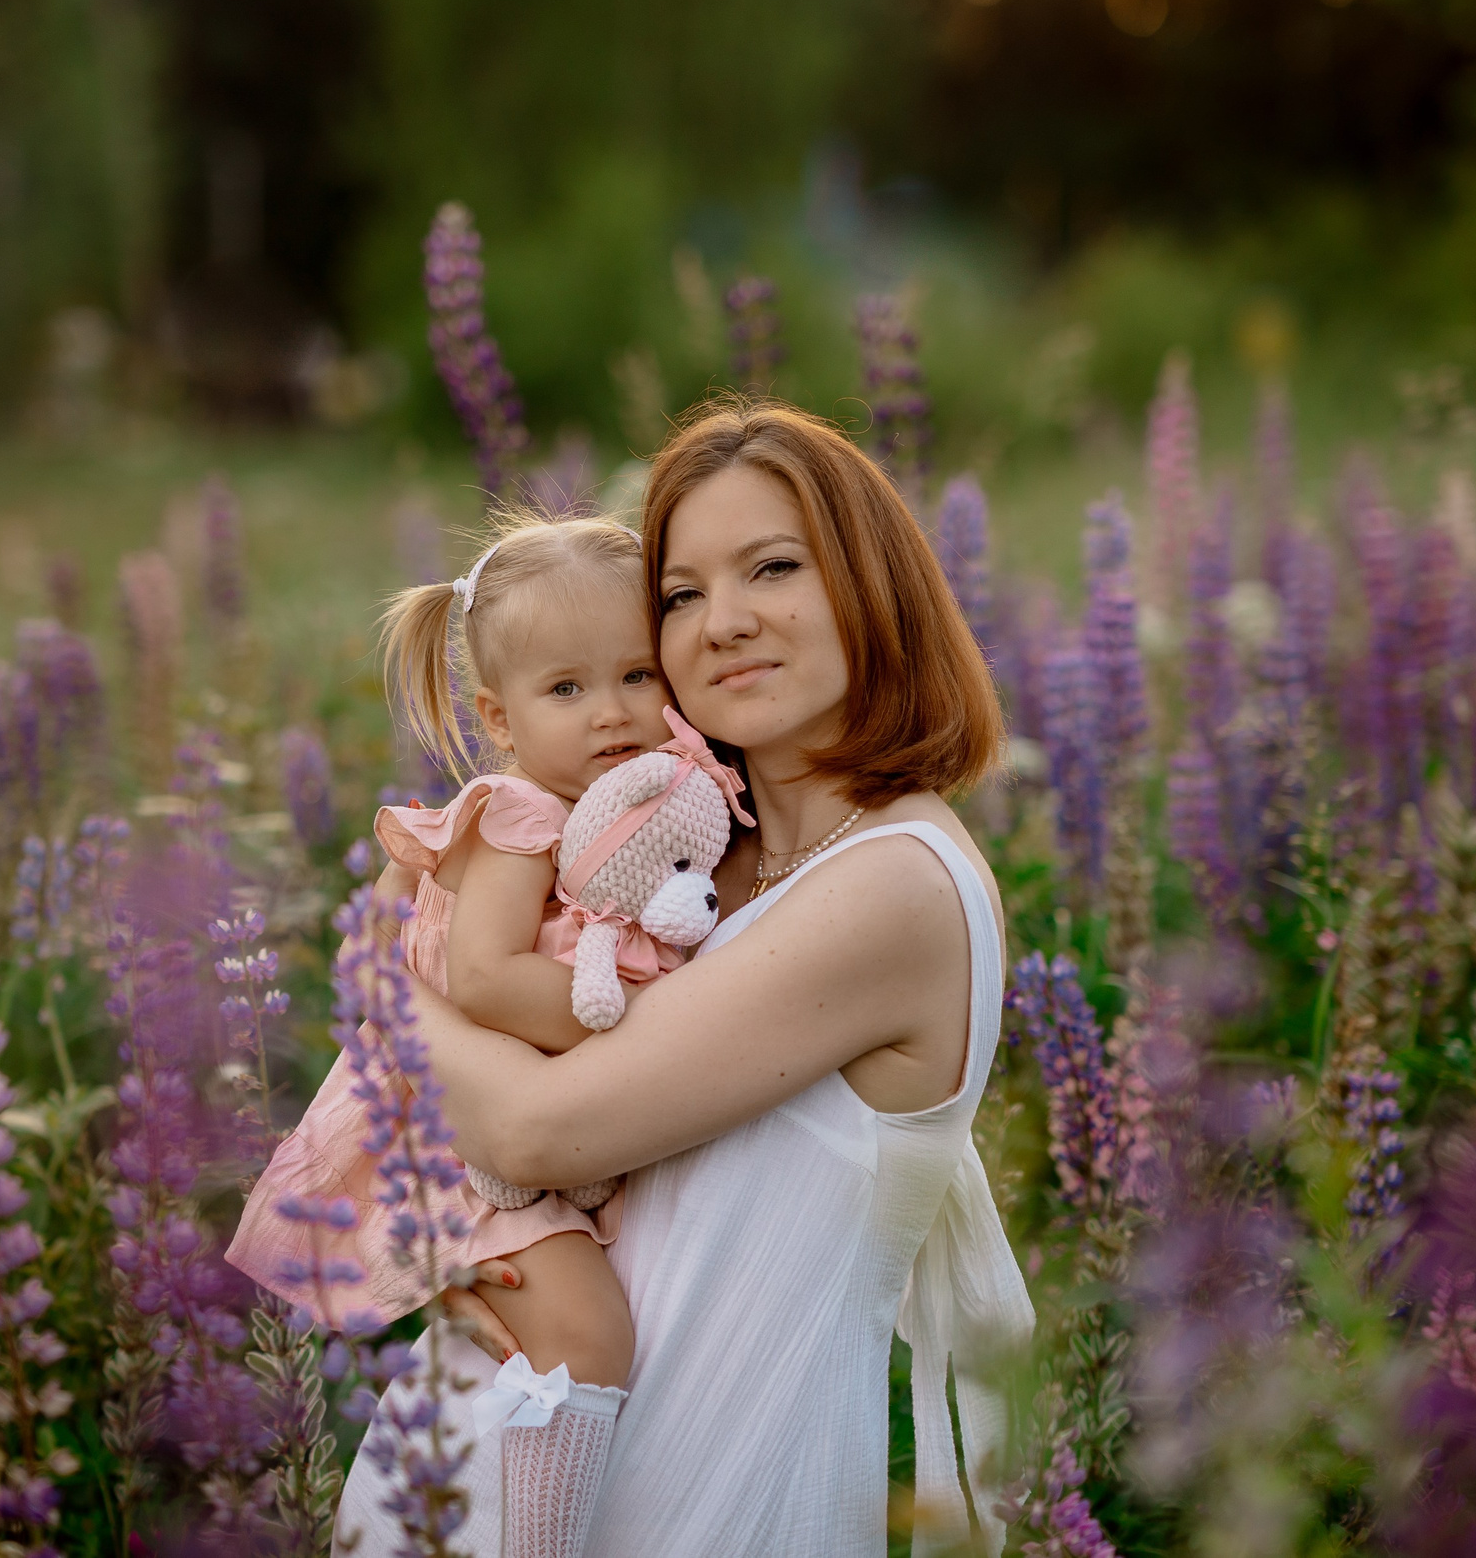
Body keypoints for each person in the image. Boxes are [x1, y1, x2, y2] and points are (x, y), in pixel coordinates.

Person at [334, 399, 1035, 1558]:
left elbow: (538, 1135)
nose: (724, 623)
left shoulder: (896, 883)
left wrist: (374, 977)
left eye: (772, 567)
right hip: (486, 1464)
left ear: (873, 584)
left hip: (713, 1501)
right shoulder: (698, 856)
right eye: (680, 594)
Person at [232, 511, 706, 1554]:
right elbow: (484, 979)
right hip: (464, 1145)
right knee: (585, 1333)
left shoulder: (638, 808)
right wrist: (642, 1021)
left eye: (637, 676)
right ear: (499, 715)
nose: (614, 713)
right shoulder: (521, 818)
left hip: (518, 1125)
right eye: (567, 689)